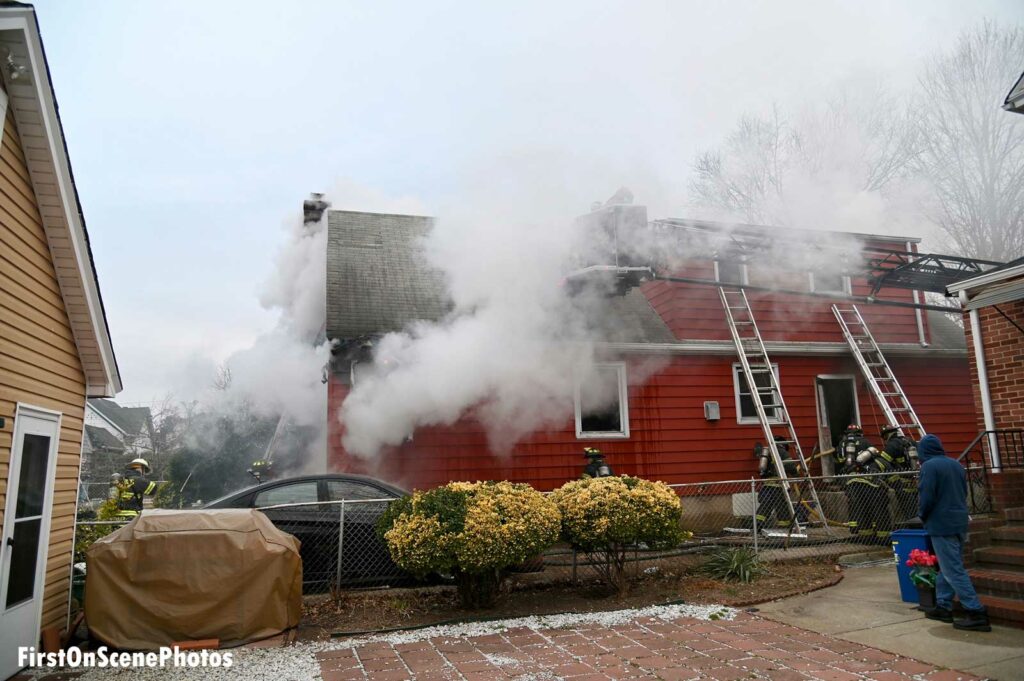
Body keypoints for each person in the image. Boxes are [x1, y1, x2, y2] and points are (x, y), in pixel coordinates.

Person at [918, 434, 990, 631]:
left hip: (941, 524)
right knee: (947, 566)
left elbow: (927, 496)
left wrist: (922, 515)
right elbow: (963, 492)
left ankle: (976, 612)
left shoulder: (929, 467)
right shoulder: (956, 465)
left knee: (953, 570)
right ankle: (943, 605)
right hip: (959, 521)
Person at [754, 438, 801, 530]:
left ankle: (757, 526)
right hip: (779, 486)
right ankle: (784, 527)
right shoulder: (782, 452)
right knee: (782, 507)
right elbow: (791, 466)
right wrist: (796, 473)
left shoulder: (768, 451)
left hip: (767, 485)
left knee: (765, 506)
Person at [881, 425, 919, 524]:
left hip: (902, 484)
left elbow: (883, 462)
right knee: (918, 507)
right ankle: (920, 527)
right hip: (915, 481)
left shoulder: (891, 445)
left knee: (909, 510)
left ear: (886, 435)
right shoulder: (910, 441)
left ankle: (913, 530)